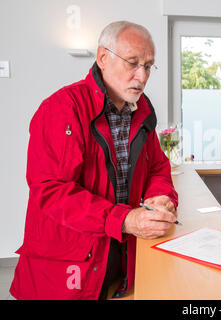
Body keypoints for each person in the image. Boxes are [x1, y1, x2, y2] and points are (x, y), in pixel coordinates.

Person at [10, 21, 178, 300]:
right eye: (132, 63)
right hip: (66, 270)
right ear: (103, 57)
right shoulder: (62, 108)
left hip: (118, 259)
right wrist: (123, 219)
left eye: (148, 66)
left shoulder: (141, 110)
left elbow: (157, 166)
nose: (142, 75)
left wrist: (159, 195)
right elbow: (51, 191)